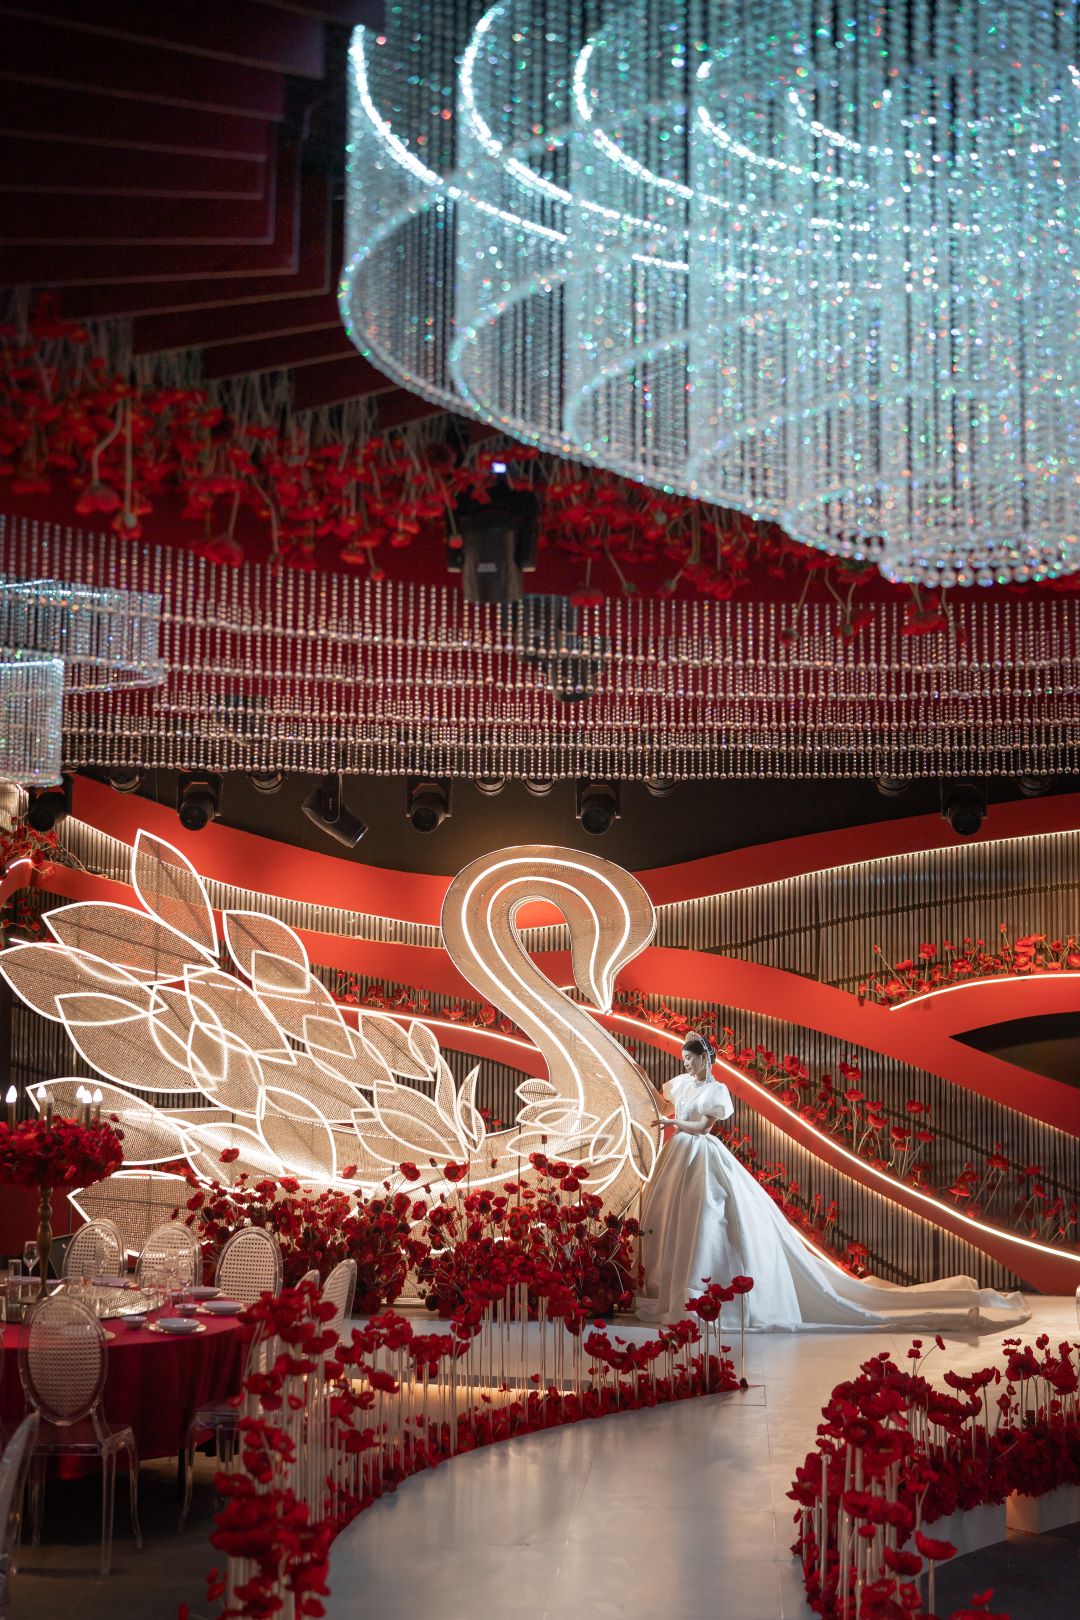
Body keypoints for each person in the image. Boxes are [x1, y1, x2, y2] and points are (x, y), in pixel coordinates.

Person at [637, 1031, 1031, 1331]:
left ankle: (706, 1297)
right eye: (683, 1060)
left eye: (690, 1059)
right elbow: (662, 1098)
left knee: (709, 1214)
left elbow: (704, 1128)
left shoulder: (716, 1091)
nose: (686, 1065)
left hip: (700, 1152)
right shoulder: (682, 1083)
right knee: (677, 1216)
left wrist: (675, 1124)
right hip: (679, 1156)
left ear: (705, 1059)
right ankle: (673, 1291)